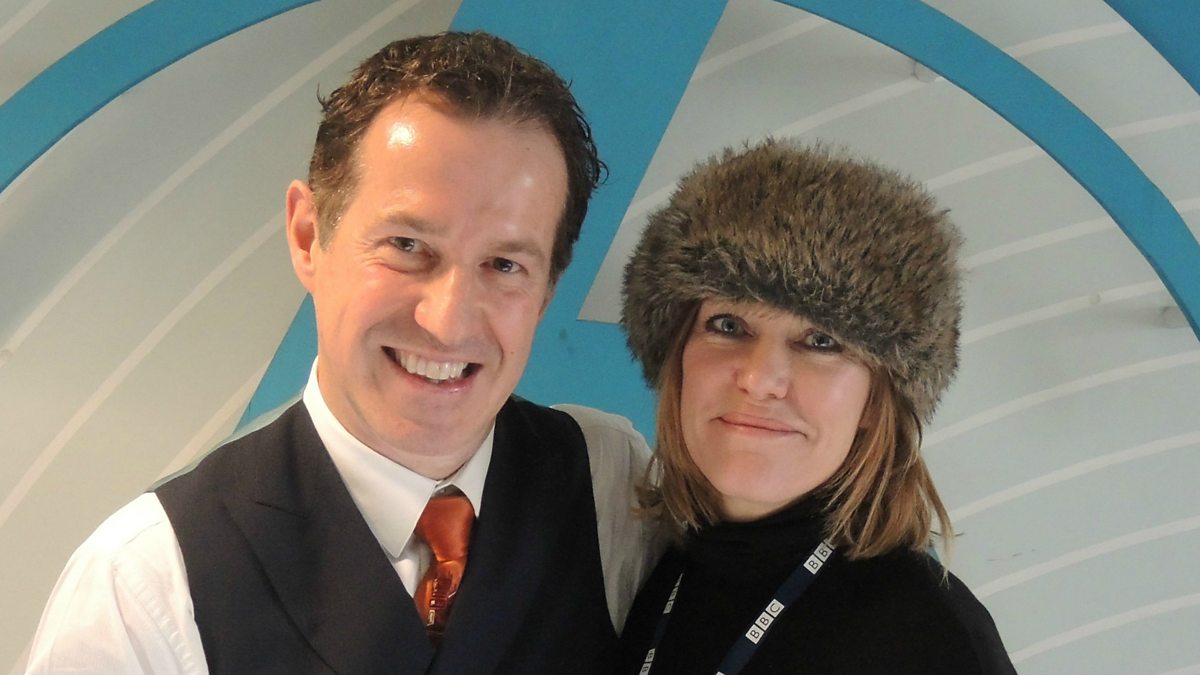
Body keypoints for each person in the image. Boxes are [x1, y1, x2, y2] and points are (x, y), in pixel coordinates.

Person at [26, 31, 659, 674]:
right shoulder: (142, 588)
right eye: (407, 246)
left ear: (548, 286)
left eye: (503, 264)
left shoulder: (609, 485)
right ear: (308, 236)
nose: (446, 322)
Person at [616, 140, 1018, 674]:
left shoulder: (928, 639)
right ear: (678, 357)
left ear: (877, 402)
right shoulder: (651, 572)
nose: (759, 379)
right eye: (728, 326)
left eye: (821, 342)